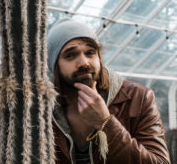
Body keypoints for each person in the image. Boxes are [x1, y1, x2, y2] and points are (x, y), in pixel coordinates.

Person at [47, 18, 170, 164]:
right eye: (70, 55)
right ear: (54, 65)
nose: (84, 62)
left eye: (90, 52)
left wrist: (105, 123)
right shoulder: (42, 110)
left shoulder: (138, 98)